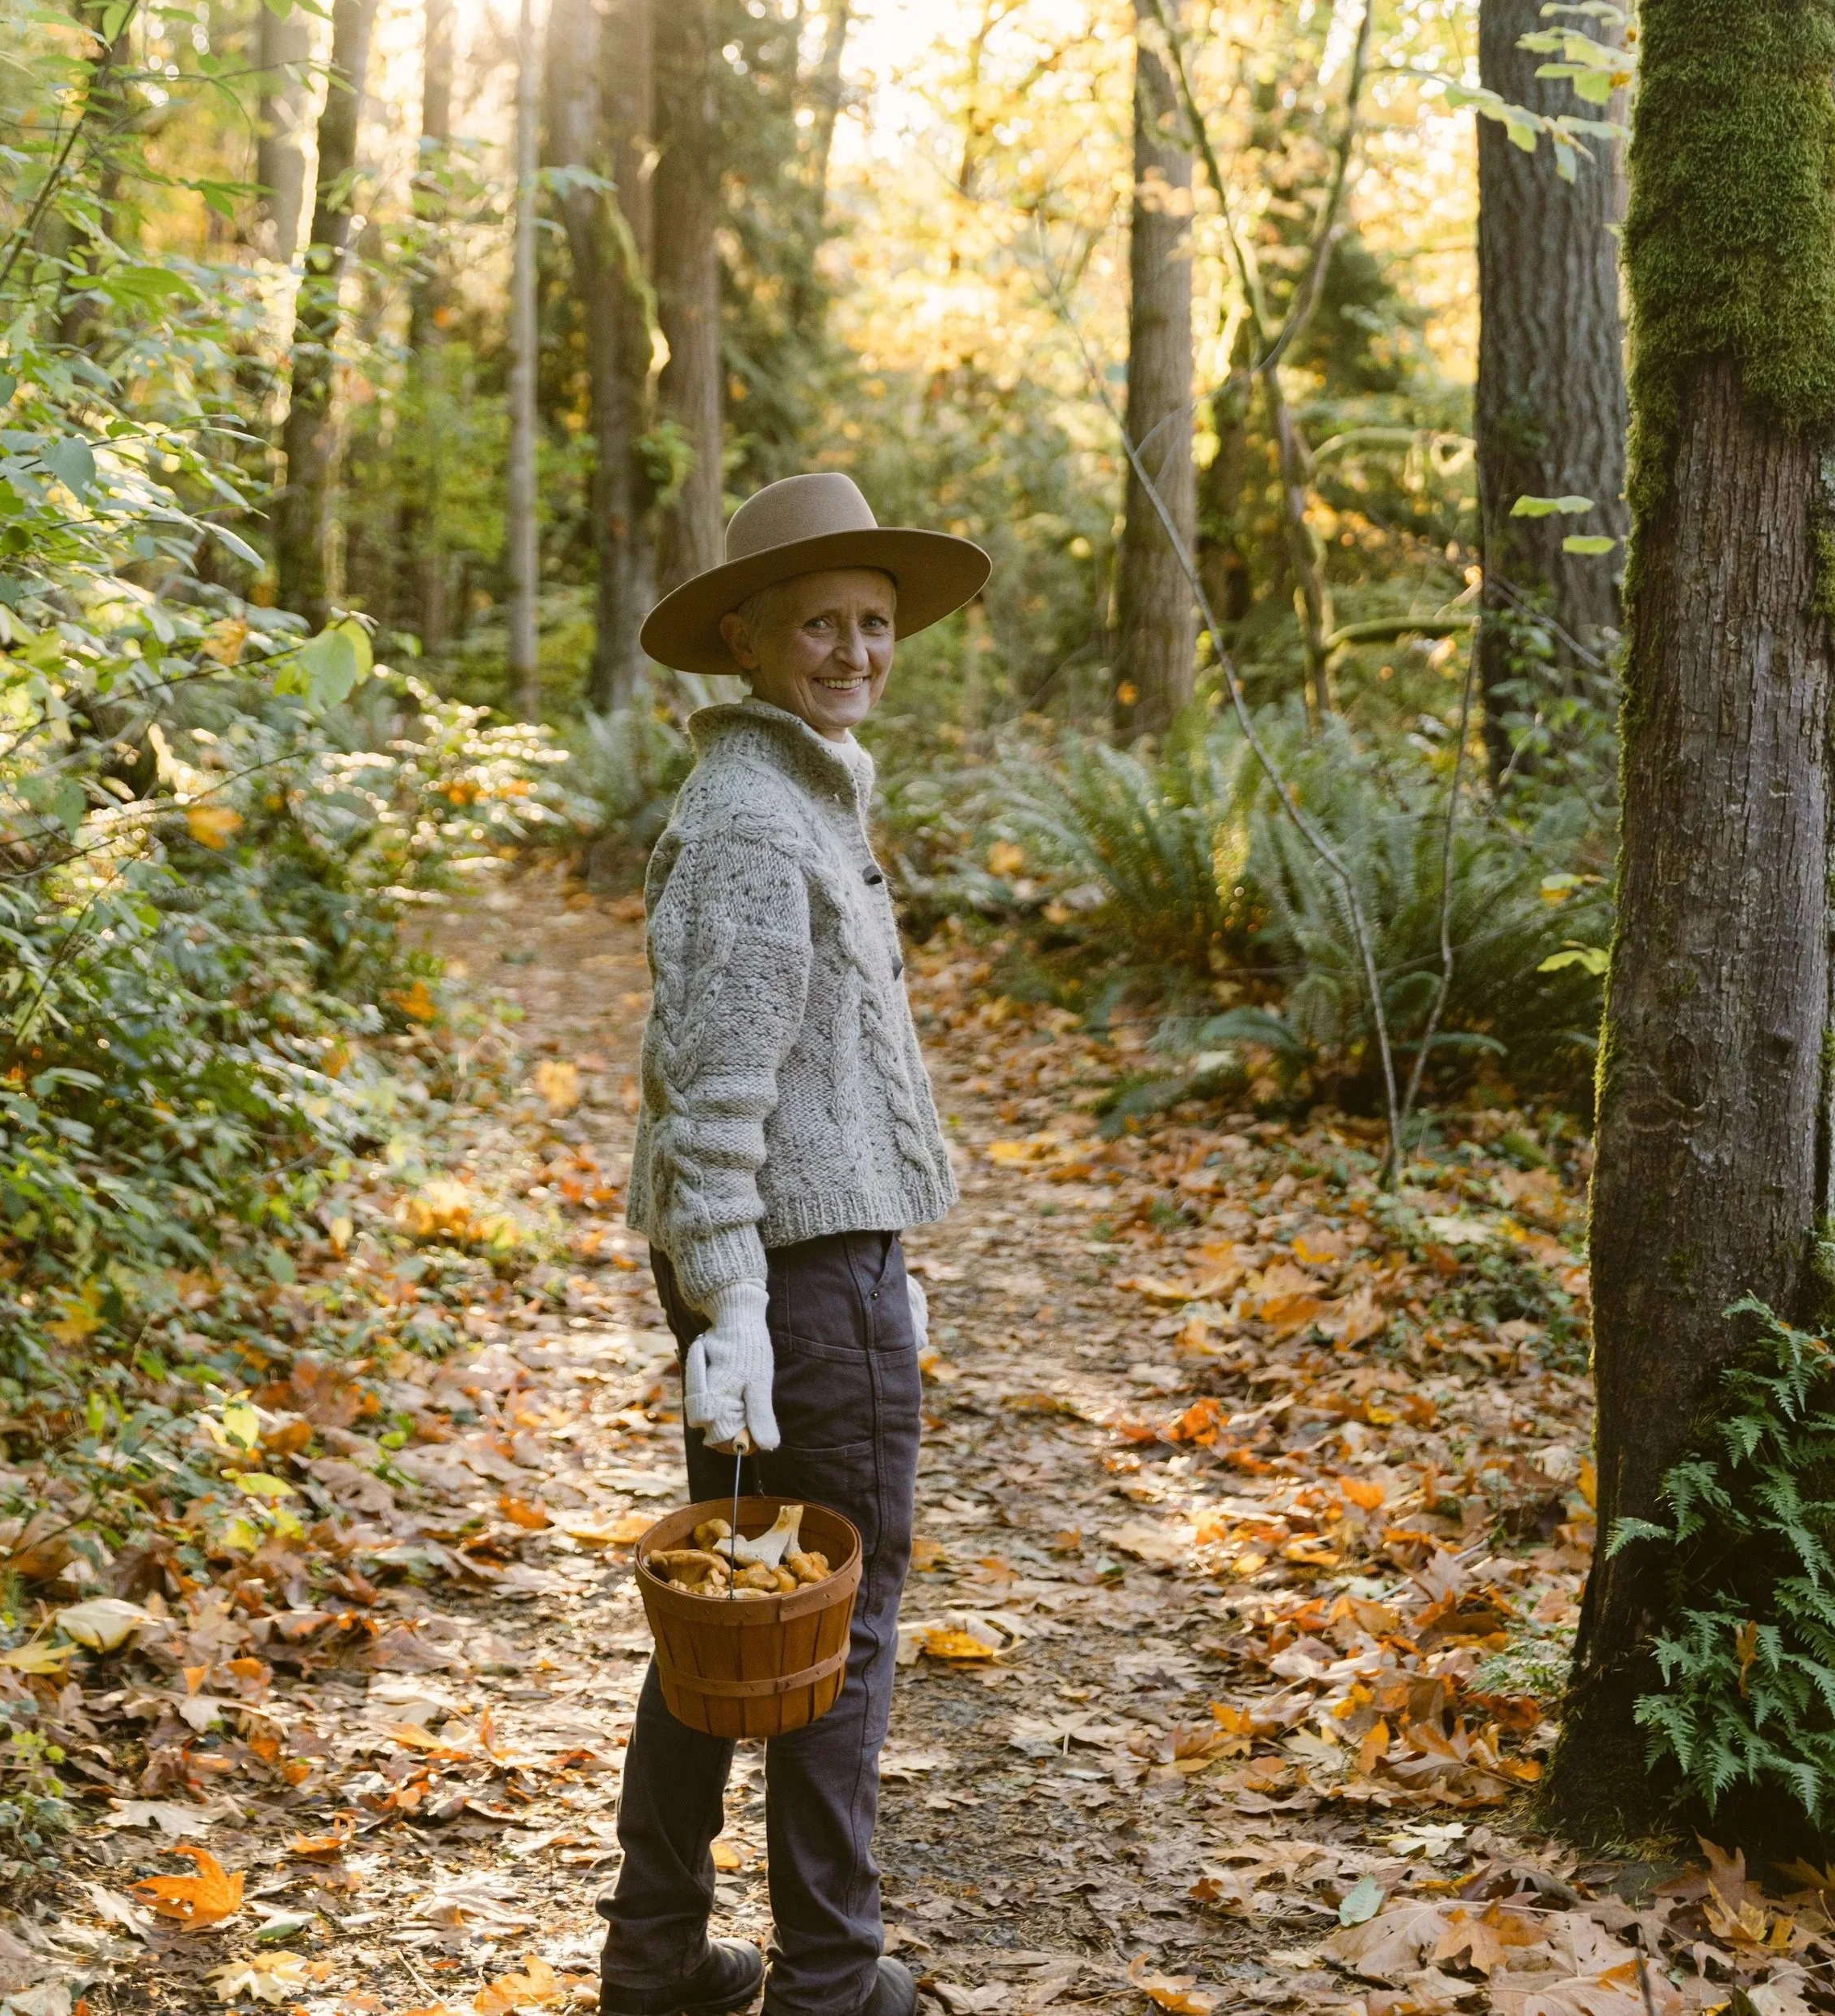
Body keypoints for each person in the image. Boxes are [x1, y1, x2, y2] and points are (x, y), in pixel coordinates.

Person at [597, 473, 991, 2016]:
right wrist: (741, 1307)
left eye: (876, 623)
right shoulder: (759, 823)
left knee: (737, 1618)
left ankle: (658, 1963)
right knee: (838, 1611)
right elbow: (715, 1100)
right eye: (820, 621)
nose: (855, 648)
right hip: (802, 1273)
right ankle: (834, 1977)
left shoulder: (800, 788)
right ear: (748, 641)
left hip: (782, 1267)